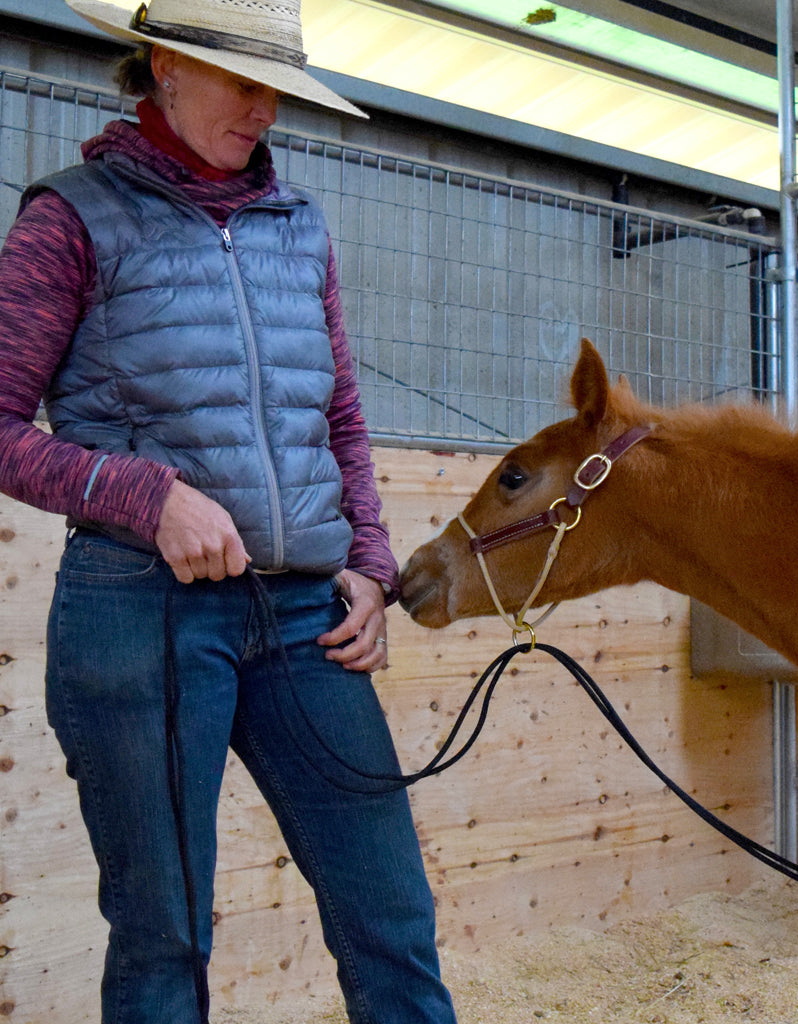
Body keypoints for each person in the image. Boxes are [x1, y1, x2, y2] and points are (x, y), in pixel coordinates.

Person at [0, 1, 459, 1022]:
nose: (264, 109)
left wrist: (370, 561)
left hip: (303, 616)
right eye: (241, 81)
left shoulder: (299, 228)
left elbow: (338, 410)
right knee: (167, 939)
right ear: (163, 62)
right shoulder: (71, 217)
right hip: (139, 610)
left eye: (278, 90)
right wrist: (145, 494)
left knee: (391, 910)